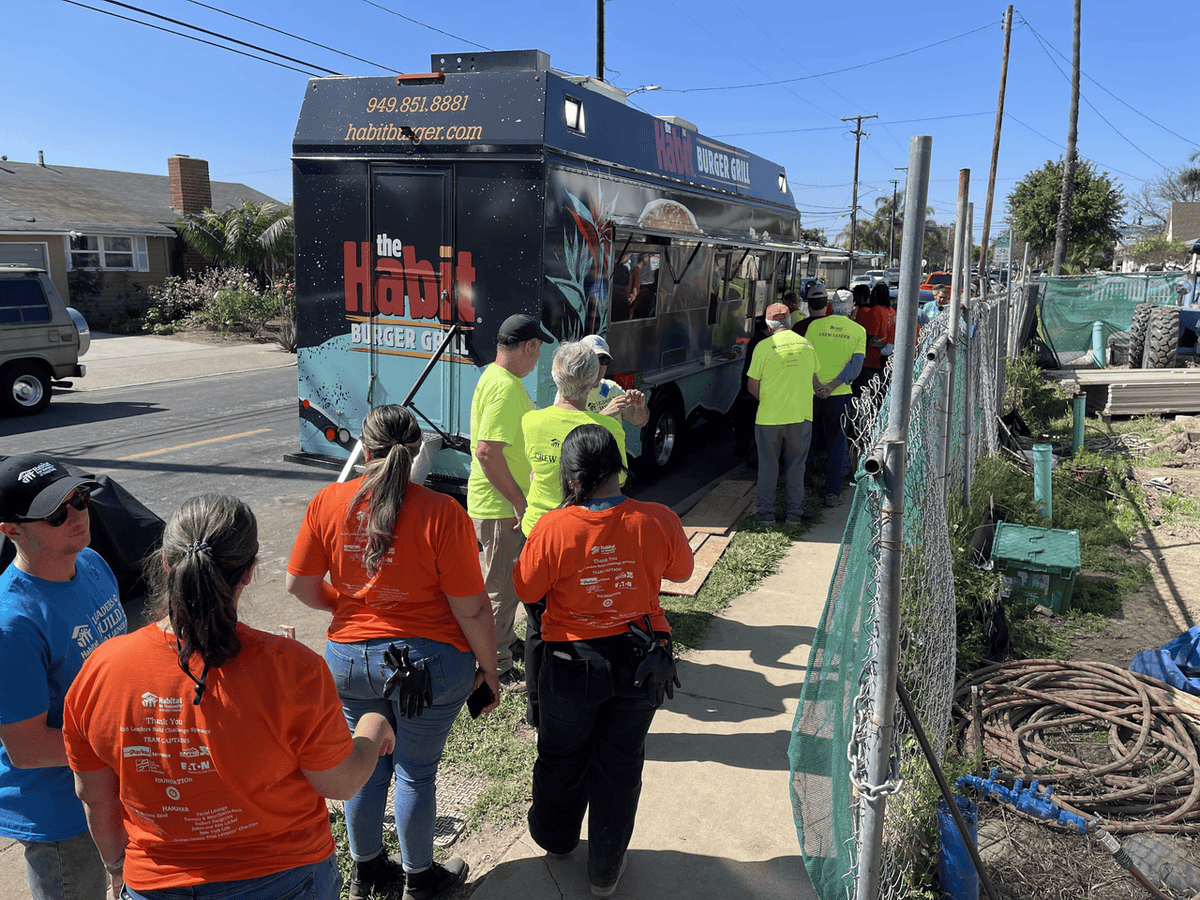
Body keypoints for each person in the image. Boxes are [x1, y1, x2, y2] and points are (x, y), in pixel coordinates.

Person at [62, 494, 394, 900]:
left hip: (155, 884)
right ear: (250, 571)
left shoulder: (101, 671)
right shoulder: (293, 668)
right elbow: (339, 783)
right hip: (284, 879)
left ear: (166, 564)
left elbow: (94, 796)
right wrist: (373, 728)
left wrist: (117, 869)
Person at [287, 405, 500, 900]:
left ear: (364, 448)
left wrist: (348, 604)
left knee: (364, 765)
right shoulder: (443, 512)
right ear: (417, 448)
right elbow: (472, 610)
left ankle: (365, 874)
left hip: (350, 661)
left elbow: (299, 585)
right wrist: (489, 670)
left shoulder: (328, 501)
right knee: (415, 772)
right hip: (430, 664)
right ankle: (419, 879)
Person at [513, 425, 694, 899]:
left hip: (572, 663)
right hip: (641, 660)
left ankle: (556, 840)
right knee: (620, 765)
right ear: (619, 465)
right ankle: (605, 870)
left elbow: (527, 590)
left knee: (560, 755)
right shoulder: (656, 519)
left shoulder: (553, 527)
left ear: (570, 478)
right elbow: (682, 571)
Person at [0, 453, 126, 900]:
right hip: (60, 818)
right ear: (10, 529)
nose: (76, 515)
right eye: (56, 513)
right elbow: (28, 748)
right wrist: (130, 744)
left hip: (110, 786)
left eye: (79, 498)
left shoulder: (92, 563)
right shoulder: (12, 624)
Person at [519, 342, 628, 729]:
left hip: (537, 534)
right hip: (585, 540)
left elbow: (530, 471)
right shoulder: (609, 428)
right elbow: (622, 481)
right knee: (580, 623)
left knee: (536, 626)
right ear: (595, 378)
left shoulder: (532, 422)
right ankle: (577, 699)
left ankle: (535, 708)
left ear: (554, 377)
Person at [467, 312, 553, 694]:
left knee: (505, 582)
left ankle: (503, 640)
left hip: (496, 501)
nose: (537, 360)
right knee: (499, 586)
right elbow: (487, 451)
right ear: (527, 347)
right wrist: (519, 502)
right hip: (500, 505)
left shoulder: (495, 375)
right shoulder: (505, 387)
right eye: (537, 351)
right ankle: (497, 663)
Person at [747, 303, 819, 524]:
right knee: (796, 466)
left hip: (769, 419)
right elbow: (815, 383)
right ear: (789, 322)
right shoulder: (807, 345)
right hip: (800, 417)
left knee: (768, 466)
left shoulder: (762, 347)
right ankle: (794, 515)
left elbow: (752, 386)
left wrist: (769, 401)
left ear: (769, 325)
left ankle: (766, 513)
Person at [804, 294, 866, 506]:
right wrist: (831, 387)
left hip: (812, 393)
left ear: (830, 306)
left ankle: (804, 486)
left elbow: (807, 357)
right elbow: (854, 368)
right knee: (837, 444)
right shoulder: (858, 331)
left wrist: (816, 385)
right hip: (838, 395)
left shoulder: (814, 327)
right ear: (852, 309)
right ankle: (832, 493)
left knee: (808, 441)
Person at [579, 334, 649, 427]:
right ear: (581, 362)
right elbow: (571, 435)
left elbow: (640, 422)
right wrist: (604, 414)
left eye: (604, 360)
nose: (599, 366)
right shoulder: (571, 393)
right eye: (594, 360)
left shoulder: (611, 387)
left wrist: (640, 406)